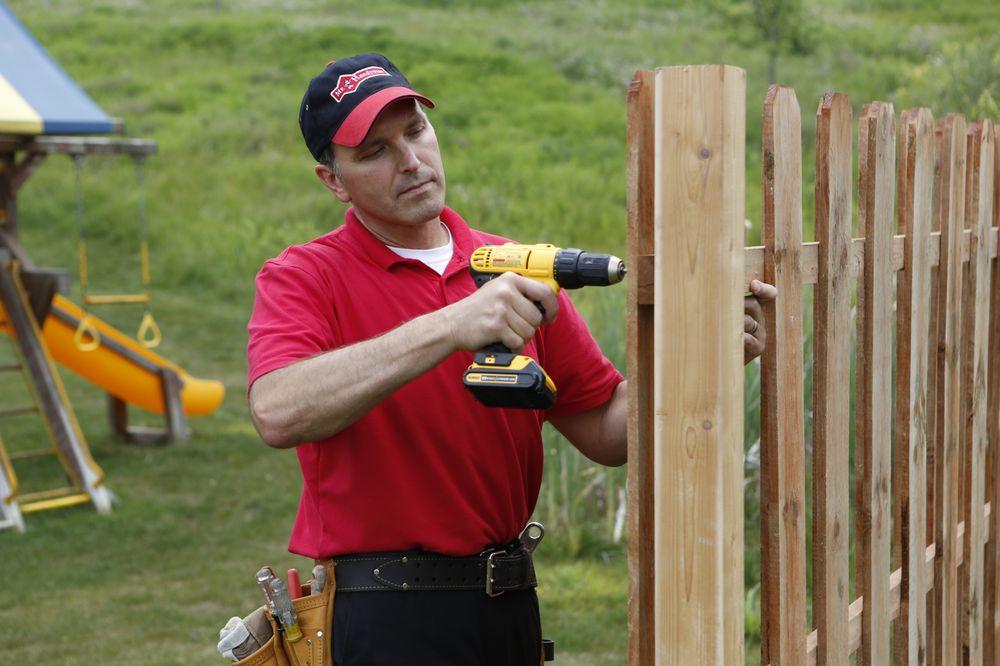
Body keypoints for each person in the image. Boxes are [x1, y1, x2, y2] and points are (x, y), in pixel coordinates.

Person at [246, 52, 775, 666]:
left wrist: (702, 358)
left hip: (507, 604)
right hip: (384, 617)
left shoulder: (511, 265)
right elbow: (277, 412)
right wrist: (451, 325)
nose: (411, 161)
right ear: (333, 180)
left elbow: (607, 430)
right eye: (375, 152)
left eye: (416, 131)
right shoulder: (304, 277)